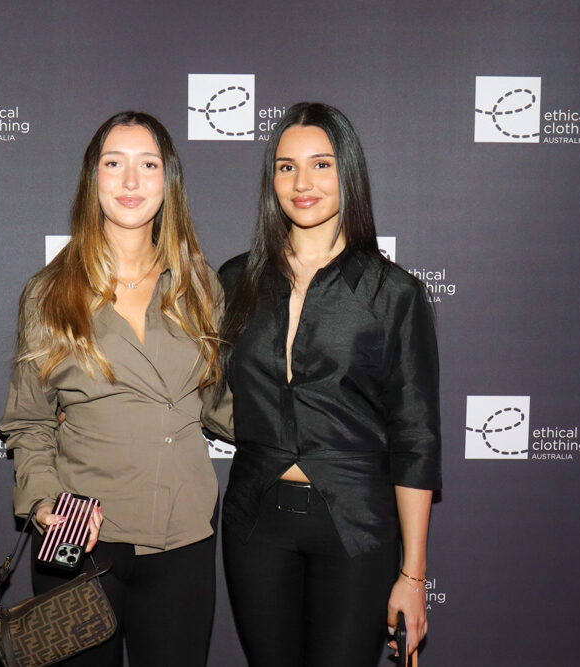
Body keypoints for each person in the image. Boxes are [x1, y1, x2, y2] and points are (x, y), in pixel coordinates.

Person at [0, 111, 231, 667]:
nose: (130, 181)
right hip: (79, 541)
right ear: (93, 178)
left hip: (181, 538)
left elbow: (222, 404)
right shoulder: (50, 293)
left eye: (148, 164)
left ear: (168, 181)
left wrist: (316, 428)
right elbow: (29, 421)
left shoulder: (200, 285)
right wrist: (43, 499)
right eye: (114, 163)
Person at [215, 102, 441, 667]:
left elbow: (415, 438)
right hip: (254, 524)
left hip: (355, 526)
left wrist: (413, 574)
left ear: (349, 173)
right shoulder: (236, 280)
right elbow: (194, 384)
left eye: (321, 164)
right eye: (286, 167)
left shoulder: (393, 293)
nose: (302, 183)